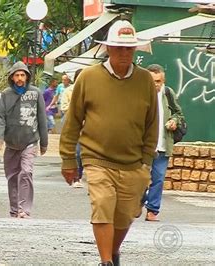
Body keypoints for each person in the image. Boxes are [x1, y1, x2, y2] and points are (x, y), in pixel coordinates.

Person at [59, 20, 158, 266]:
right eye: (119, 48)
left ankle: (112, 253)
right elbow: (73, 122)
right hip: (97, 159)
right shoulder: (89, 78)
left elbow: (152, 125)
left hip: (133, 163)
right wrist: (68, 159)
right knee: (102, 204)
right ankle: (106, 262)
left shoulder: (145, 80)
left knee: (125, 216)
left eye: (129, 49)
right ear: (108, 49)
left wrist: (146, 164)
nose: (124, 53)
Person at [0, 61, 48, 219]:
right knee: (12, 176)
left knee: (26, 172)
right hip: (11, 142)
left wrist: (44, 142)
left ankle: (24, 209)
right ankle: (14, 210)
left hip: (30, 141)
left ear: (27, 77)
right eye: (17, 75)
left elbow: (42, 118)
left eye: (22, 75)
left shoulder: (35, 93)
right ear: (12, 77)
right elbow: (0, 117)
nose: (19, 78)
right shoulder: (6, 94)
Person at [145, 64, 185, 222]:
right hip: (143, 146)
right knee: (139, 179)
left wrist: (174, 120)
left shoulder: (168, 93)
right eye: (152, 80)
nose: (155, 84)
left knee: (158, 179)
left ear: (163, 81)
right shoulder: (139, 94)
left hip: (162, 144)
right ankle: (140, 200)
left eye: (158, 81)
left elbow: (178, 112)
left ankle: (152, 210)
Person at [60, 68, 84, 188]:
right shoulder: (68, 91)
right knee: (77, 151)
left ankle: (80, 175)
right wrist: (76, 106)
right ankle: (76, 177)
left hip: (87, 125)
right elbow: (63, 107)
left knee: (83, 152)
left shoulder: (91, 90)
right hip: (73, 125)